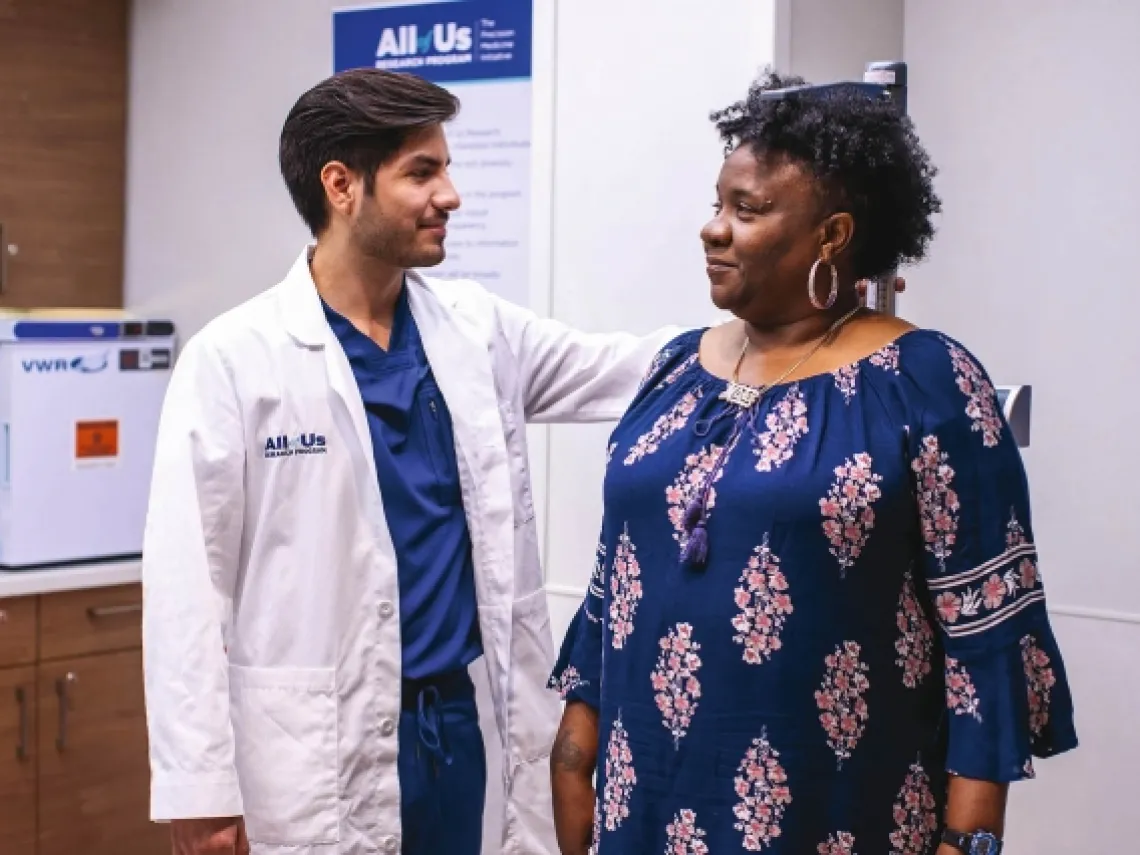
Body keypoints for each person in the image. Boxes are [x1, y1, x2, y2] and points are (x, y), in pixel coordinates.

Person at [140, 68, 679, 855]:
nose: (450, 194)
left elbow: (629, 368)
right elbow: (189, 588)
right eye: (422, 172)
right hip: (312, 744)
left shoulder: (473, 328)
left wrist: (786, 333)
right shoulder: (234, 358)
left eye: (446, 168)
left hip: (454, 728)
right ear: (341, 185)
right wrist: (199, 788)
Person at [548, 70, 1077, 855]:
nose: (713, 229)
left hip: (835, 815)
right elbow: (613, 586)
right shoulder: (672, 372)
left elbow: (987, 637)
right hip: (645, 808)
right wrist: (575, 745)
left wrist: (967, 839)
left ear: (831, 235)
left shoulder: (925, 383)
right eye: (717, 203)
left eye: (748, 210)